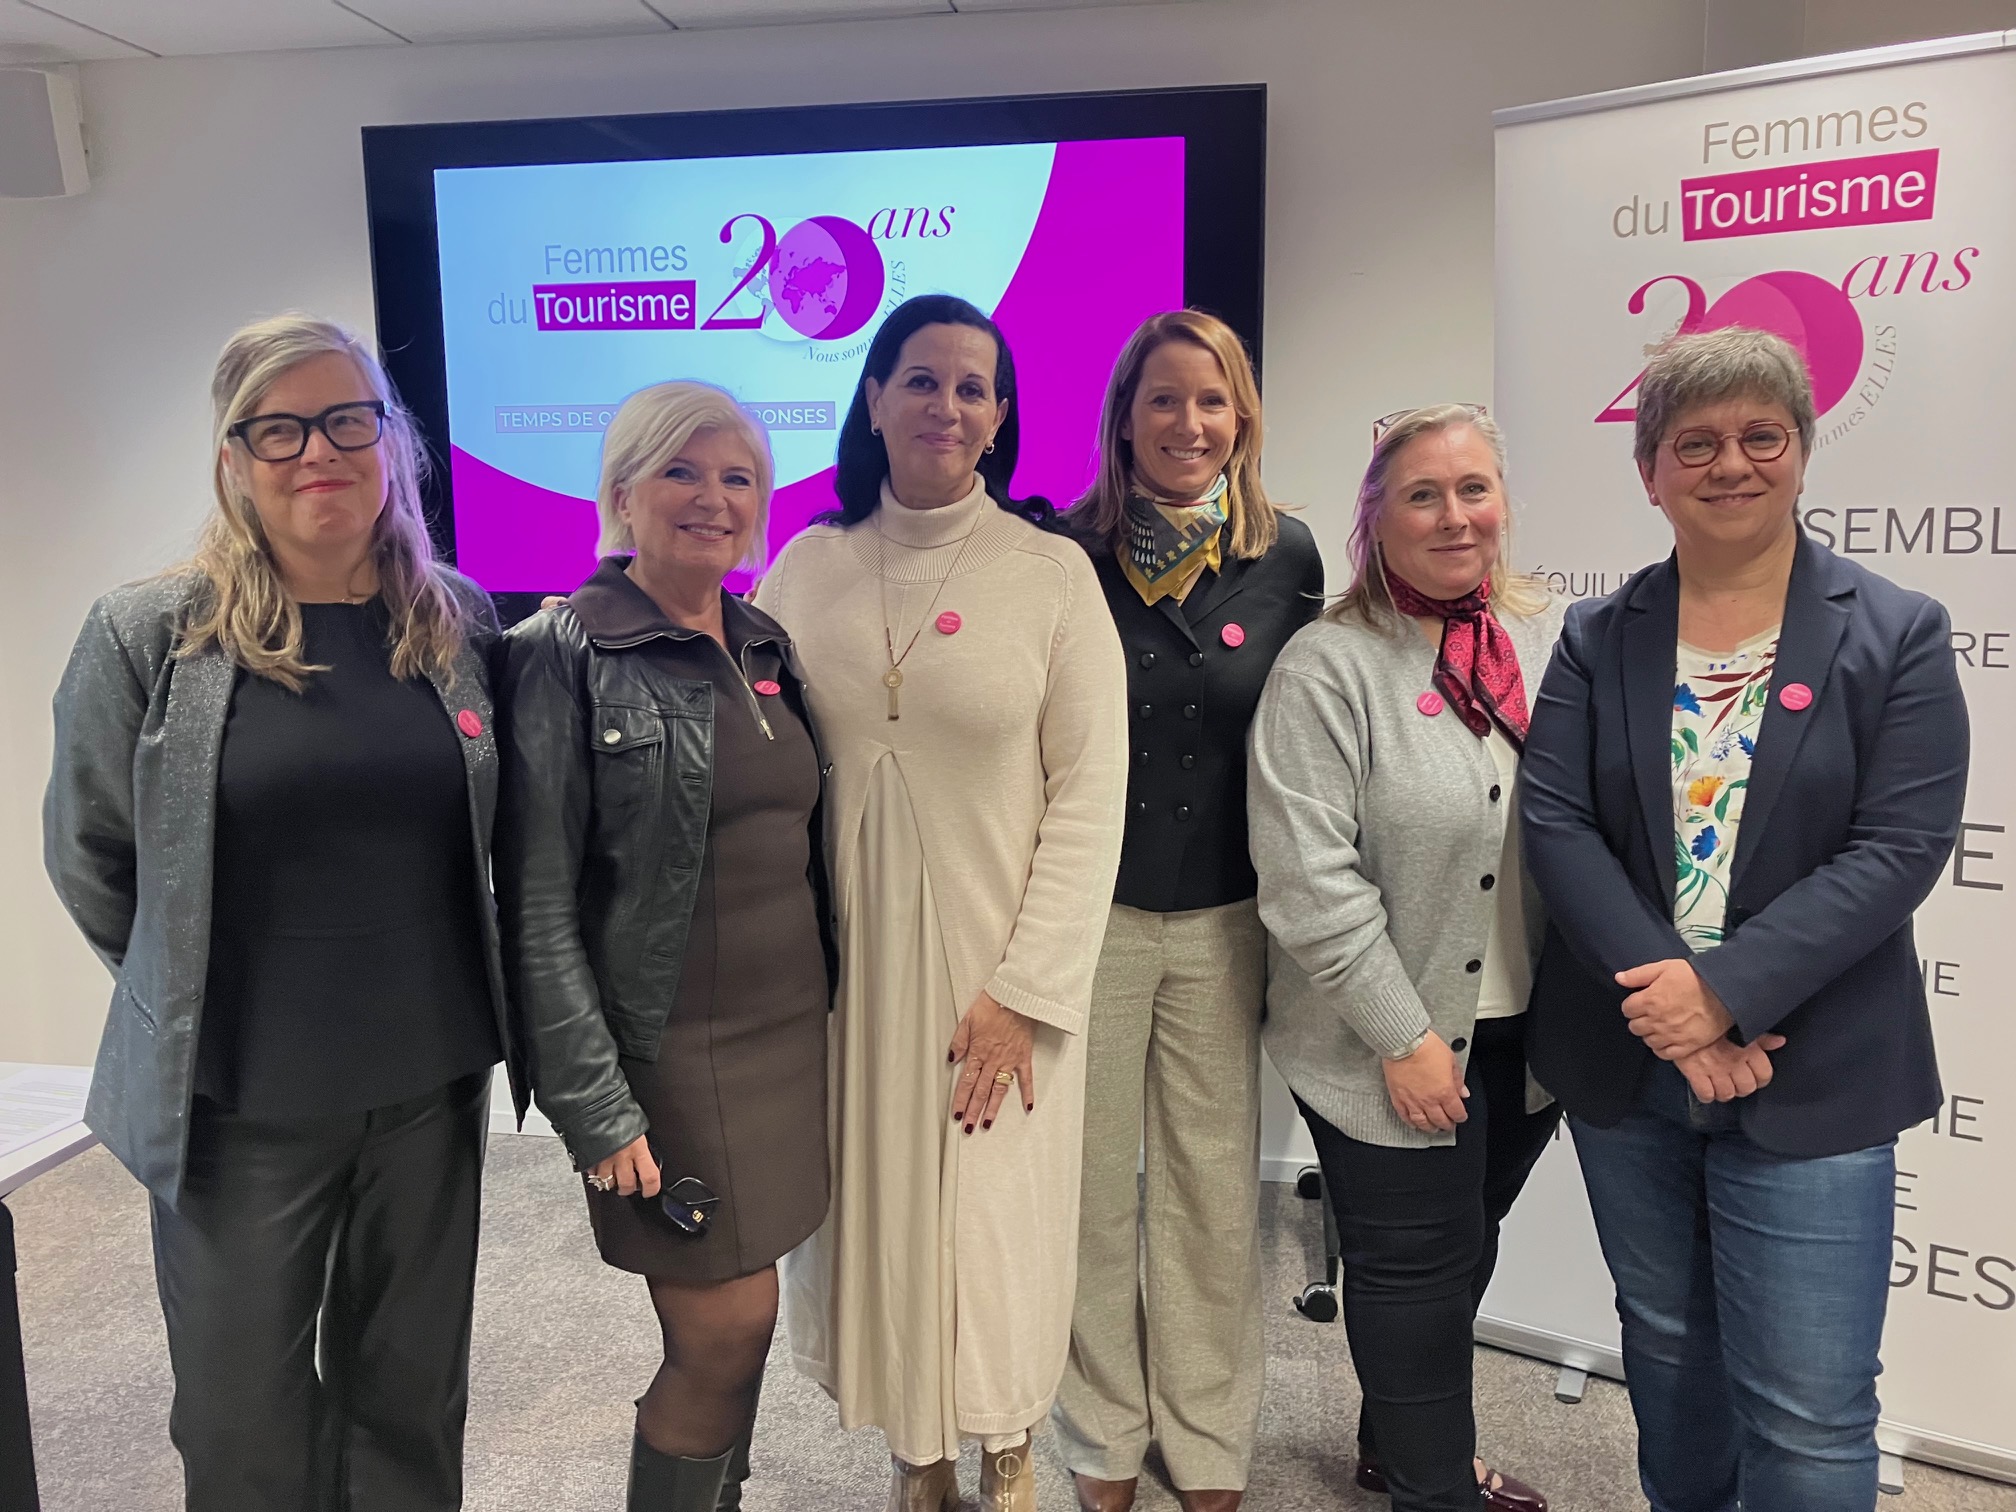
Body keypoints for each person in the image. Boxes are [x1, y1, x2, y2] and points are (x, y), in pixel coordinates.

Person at [44, 313, 516, 1511]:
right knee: (241, 1425)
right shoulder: (149, 634)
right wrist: (185, 986)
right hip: (237, 1104)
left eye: (348, 418)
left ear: (392, 438)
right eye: (280, 428)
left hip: (427, 1089)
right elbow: (93, 856)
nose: (320, 450)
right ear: (234, 458)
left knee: (410, 1407)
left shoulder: (457, 623)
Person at [1520, 326, 1969, 1512]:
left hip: (1815, 1069)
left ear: (1803, 453)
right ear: (1650, 468)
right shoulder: (1596, 634)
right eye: (1695, 442)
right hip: (1636, 1068)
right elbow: (1558, 825)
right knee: (1668, 1360)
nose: (1731, 463)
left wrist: (1724, 992)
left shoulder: (1898, 631)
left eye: (1760, 436)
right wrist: (1677, 1010)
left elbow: (1901, 848)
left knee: (1813, 1414)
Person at [755, 294, 1127, 1512]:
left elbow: (1089, 799)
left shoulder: (1051, 575)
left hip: (998, 969)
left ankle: (1006, 1453)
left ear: (1002, 417)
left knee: (995, 1228)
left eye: (974, 387)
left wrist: (1024, 994)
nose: (947, 406)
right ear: (872, 398)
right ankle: (918, 1465)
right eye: (921, 379)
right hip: (848, 975)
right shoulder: (804, 568)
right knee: (878, 1217)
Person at [494, 382, 832, 1512]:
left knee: (752, 1319)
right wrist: (596, 1106)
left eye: (738, 478)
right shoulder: (562, 649)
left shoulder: (762, 640)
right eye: (683, 473)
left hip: (787, 1042)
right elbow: (534, 901)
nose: (713, 499)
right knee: (723, 1332)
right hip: (672, 1054)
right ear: (622, 493)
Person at [1247, 405, 1559, 1512]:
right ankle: (1434, 1489)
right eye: (1422, 494)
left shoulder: (1537, 643)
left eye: (1474, 488)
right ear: (1373, 519)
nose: (1454, 515)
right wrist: (1405, 1034)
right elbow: (1305, 880)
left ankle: (1394, 1446)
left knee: (1464, 1246)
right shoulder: (1328, 667)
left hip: (1525, 1033)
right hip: (1380, 1037)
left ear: (1504, 504)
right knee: (1415, 1269)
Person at [1050, 310, 1322, 1512]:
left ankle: (1208, 1444)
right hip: (1091, 918)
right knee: (1093, 1194)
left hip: (1225, 919)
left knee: (1215, 1195)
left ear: (1243, 418)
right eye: (1163, 400)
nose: (1189, 425)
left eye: (1212, 403)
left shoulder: (1290, 557)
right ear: (1123, 416)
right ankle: (1102, 1437)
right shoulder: (1065, 554)